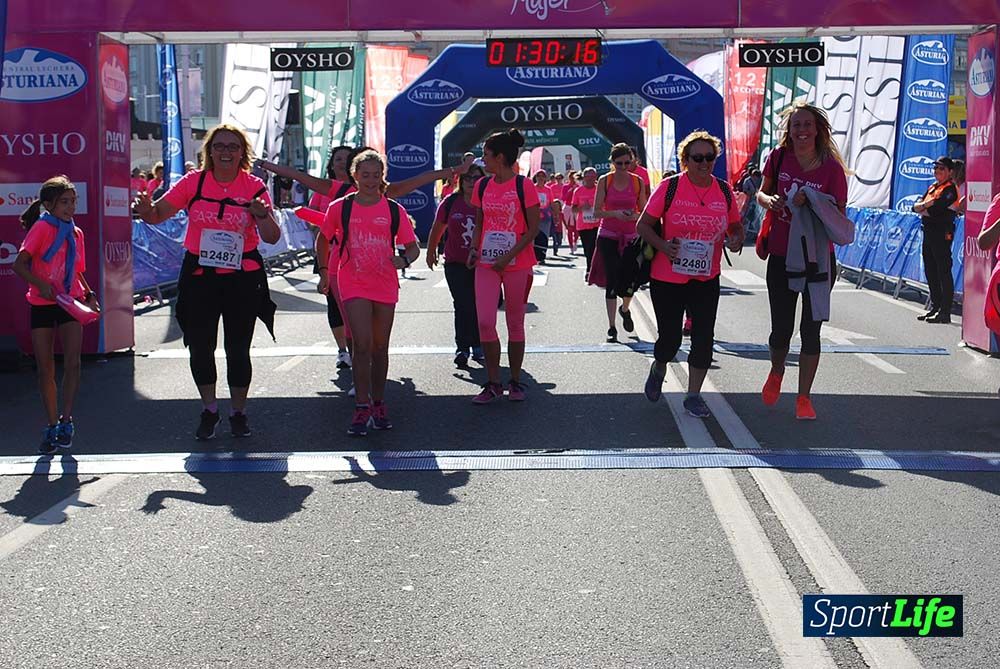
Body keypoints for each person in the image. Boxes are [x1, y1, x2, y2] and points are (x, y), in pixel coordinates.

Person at [132, 124, 281, 441]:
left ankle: (238, 412)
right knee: (200, 347)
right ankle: (210, 409)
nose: (226, 152)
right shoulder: (193, 182)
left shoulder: (253, 186)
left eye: (232, 147)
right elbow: (157, 215)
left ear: (242, 153)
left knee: (237, 349)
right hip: (200, 276)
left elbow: (272, 236)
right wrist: (145, 210)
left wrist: (262, 215)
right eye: (219, 146)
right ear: (209, 151)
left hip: (242, 277)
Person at [637, 132, 742, 418]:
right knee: (670, 339)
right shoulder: (670, 187)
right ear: (685, 160)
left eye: (710, 157)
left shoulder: (723, 191)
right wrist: (663, 246)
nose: (704, 163)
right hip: (668, 277)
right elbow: (643, 225)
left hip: (706, 277)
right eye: (698, 158)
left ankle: (693, 395)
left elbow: (735, 226)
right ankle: (659, 366)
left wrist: (735, 238)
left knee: (704, 337)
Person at [755, 102, 848, 420]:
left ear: (818, 129)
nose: (802, 130)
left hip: (818, 259)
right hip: (782, 254)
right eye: (796, 125)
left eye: (807, 125)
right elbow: (761, 193)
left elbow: (839, 216)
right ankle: (777, 369)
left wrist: (812, 201)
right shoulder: (779, 157)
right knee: (781, 329)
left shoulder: (832, 169)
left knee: (811, 329)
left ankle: (804, 397)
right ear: (789, 130)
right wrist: (771, 200)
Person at [316, 150, 419, 436]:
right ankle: (362, 406)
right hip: (353, 281)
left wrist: (404, 260)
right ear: (355, 176)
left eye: (376, 175)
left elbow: (412, 247)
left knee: (380, 348)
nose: (371, 181)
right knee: (361, 345)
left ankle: (379, 403)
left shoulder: (394, 210)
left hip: (384, 282)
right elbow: (323, 239)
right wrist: (324, 272)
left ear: (382, 176)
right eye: (365, 175)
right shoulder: (340, 207)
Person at [13, 176, 100, 454]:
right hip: (42, 302)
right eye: (64, 202)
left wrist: (89, 294)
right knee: (45, 368)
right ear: (49, 205)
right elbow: (19, 264)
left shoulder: (76, 233)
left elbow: (78, 270)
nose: (71, 207)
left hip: (70, 301)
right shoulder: (41, 227)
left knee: (73, 362)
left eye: (73, 201)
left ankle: (66, 421)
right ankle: (51, 424)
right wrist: (40, 284)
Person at [468, 129, 541, 404]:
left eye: (486, 155)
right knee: (485, 322)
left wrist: (508, 256)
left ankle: (515, 380)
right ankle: (493, 382)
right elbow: (480, 223)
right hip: (487, 263)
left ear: (499, 157)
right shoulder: (482, 186)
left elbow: (533, 229)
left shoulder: (524, 186)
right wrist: (474, 249)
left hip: (517, 263)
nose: (483, 160)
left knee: (514, 322)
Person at [426, 163, 487, 367]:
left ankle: (478, 343)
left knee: (480, 304)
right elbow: (438, 227)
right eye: (467, 178)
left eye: (476, 178)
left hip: (483, 264)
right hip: (455, 262)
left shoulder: (487, 201)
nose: (471, 182)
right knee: (462, 304)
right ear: (460, 181)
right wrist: (431, 250)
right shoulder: (451, 201)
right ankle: (463, 347)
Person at [308, 145, 356, 371]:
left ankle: (360, 348)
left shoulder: (362, 188)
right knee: (334, 304)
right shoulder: (322, 190)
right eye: (338, 159)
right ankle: (343, 350)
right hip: (328, 253)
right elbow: (311, 222)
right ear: (331, 164)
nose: (342, 163)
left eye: (347, 159)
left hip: (356, 256)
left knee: (356, 303)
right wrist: (326, 226)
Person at [593, 143, 648, 342]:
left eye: (627, 163)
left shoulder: (637, 181)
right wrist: (615, 213)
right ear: (612, 162)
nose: (623, 167)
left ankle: (625, 309)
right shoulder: (605, 181)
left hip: (631, 236)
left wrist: (634, 216)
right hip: (608, 234)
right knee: (612, 279)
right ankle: (611, 327)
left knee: (629, 280)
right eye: (619, 163)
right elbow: (596, 211)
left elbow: (644, 211)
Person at [912, 156, 959, 324]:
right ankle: (935, 306)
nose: (937, 171)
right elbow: (915, 207)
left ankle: (944, 312)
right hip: (929, 231)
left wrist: (924, 207)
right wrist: (926, 205)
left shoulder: (950, 189)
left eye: (941, 168)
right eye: (936, 168)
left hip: (942, 232)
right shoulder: (933, 187)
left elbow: (936, 211)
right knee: (930, 270)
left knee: (943, 270)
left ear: (950, 172)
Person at [571, 167, 600, 273]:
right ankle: (590, 270)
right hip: (583, 225)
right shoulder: (578, 191)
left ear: (596, 177)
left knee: (597, 249)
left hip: (598, 224)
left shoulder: (600, 189)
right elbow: (573, 209)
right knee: (588, 249)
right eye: (588, 176)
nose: (590, 179)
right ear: (583, 177)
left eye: (593, 176)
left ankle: (595, 271)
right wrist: (582, 208)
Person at [532, 169, 555, 263]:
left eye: (543, 176)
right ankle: (533, 257)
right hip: (534, 216)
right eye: (539, 176)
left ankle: (541, 256)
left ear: (545, 178)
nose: (540, 178)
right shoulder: (532, 188)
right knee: (533, 237)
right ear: (536, 177)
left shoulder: (548, 190)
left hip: (545, 218)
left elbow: (551, 203)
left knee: (544, 237)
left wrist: (555, 215)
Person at [561, 171, 579, 254]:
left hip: (576, 208)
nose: (573, 179)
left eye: (574, 177)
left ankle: (575, 242)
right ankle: (571, 246)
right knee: (569, 229)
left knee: (577, 228)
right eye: (571, 177)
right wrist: (571, 190)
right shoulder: (565, 187)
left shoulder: (578, 187)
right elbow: (564, 198)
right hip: (567, 208)